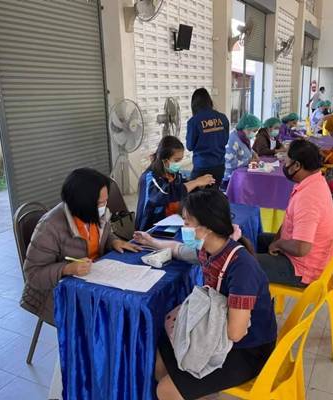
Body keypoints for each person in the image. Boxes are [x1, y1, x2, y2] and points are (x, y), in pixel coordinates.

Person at [142, 189, 277, 400]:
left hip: (248, 348)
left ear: (207, 228)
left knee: (166, 390)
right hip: (217, 330)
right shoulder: (209, 249)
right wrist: (152, 242)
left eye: (187, 223)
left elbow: (236, 333)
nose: (183, 229)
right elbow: (178, 249)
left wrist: (198, 335)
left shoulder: (242, 268)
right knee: (161, 359)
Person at [20, 168, 141, 325]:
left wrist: (113, 241)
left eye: (105, 201)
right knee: (115, 318)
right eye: (100, 203)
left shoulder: (95, 213)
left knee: (129, 307)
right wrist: (66, 269)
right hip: (60, 295)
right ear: (82, 202)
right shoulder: (50, 226)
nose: (104, 206)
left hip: (94, 282)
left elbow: (102, 235)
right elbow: (32, 274)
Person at [256, 140, 333, 287]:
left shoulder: (309, 198)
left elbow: (301, 248)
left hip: (302, 268)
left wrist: (278, 244)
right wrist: (277, 240)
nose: (285, 166)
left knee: (242, 264)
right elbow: (289, 221)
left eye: (286, 162)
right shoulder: (313, 181)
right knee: (257, 239)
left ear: (297, 165)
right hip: (306, 255)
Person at [135, 136, 215, 231]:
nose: (179, 163)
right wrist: (196, 182)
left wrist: (199, 186)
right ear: (165, 160)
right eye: (176, 160)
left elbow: (184, 189)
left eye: (180, 160)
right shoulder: (149, 177)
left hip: (172, 223)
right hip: (149, 228)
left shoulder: (174, 174)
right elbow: (166, 193)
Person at [186, 88, 230, 186]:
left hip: (202, 166)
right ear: (209, 101)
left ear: (194, 104)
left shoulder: (194, 121)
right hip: (219, 165)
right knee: (214, 193)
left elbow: (189, 146)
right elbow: (225, 140)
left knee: (196, 194)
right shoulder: (222, 118)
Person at [222, 113, 261, 186]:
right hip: (230, 180)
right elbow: (229, 163)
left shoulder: (244, 137)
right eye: (254, 131)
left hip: (242, 176)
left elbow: (245, 148)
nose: (255, 134)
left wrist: (253, 153)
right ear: (246, 127)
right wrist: (248, 161)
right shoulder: (232, 139)